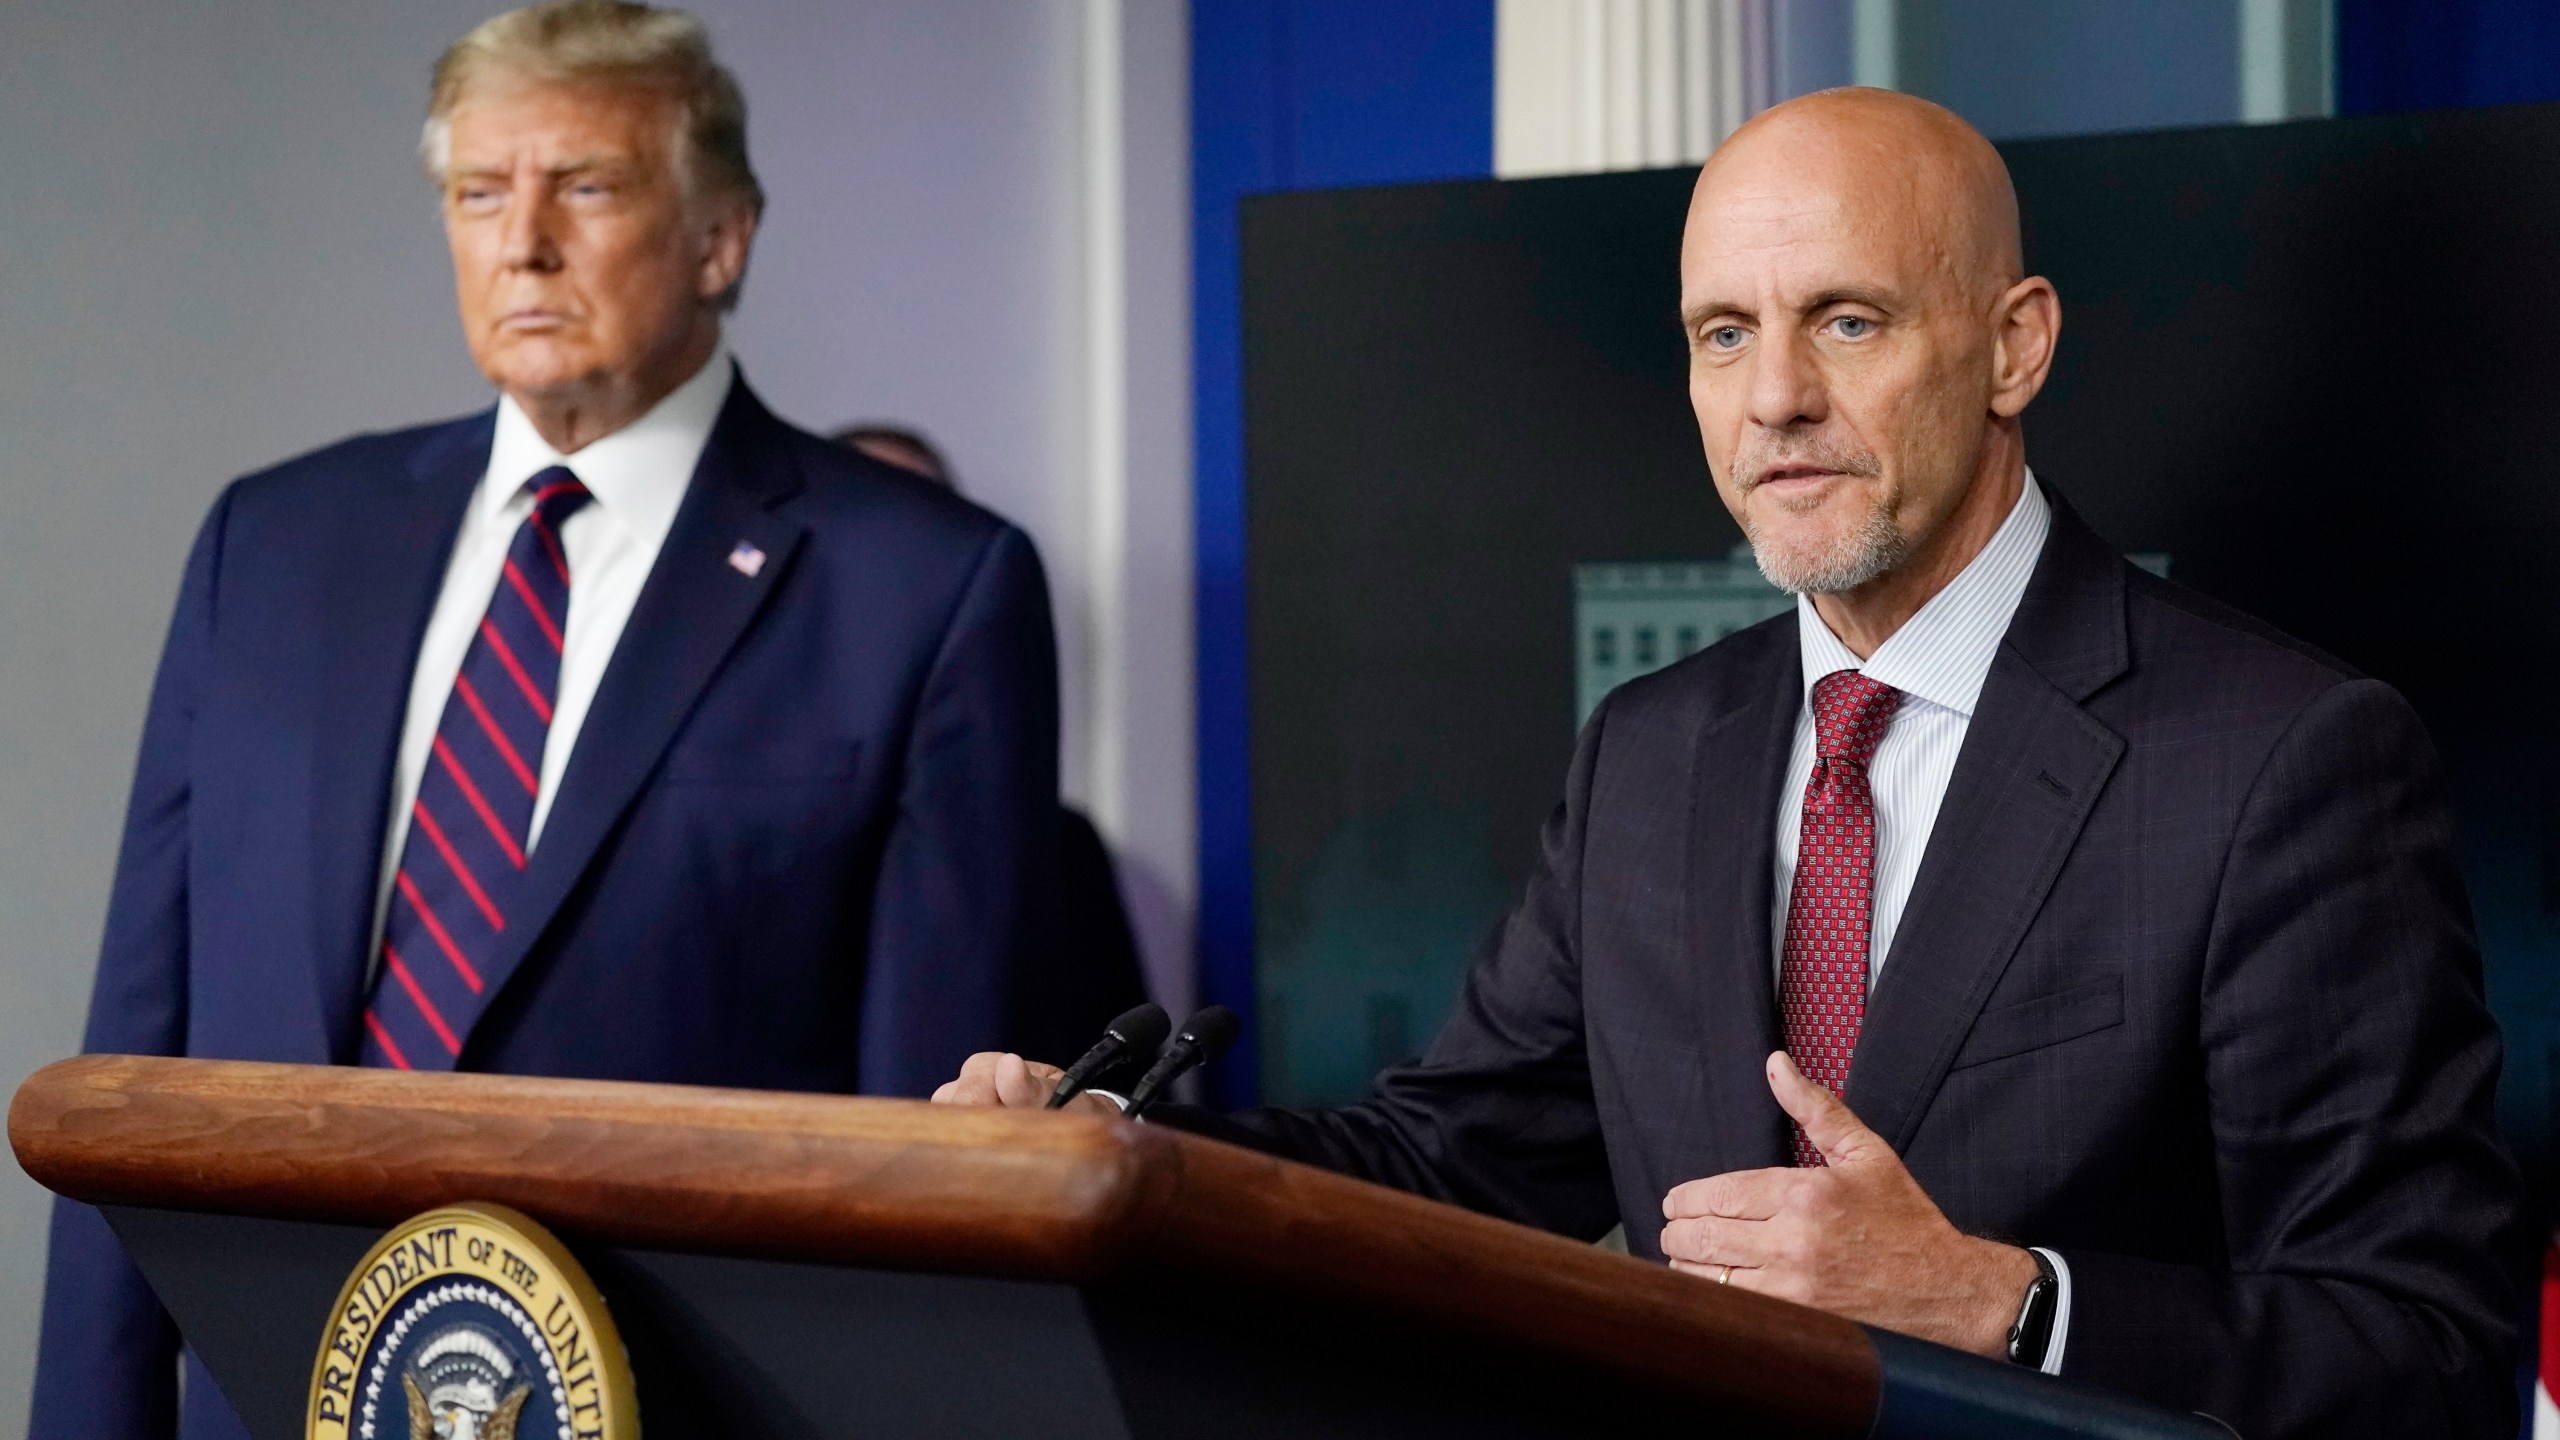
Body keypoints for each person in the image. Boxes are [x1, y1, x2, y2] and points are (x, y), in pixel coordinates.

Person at [935, 88, 2524, 1437]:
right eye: (1722, 334)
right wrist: (1115, 1159)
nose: (1776, 399)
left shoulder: (2280, 760)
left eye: (1848, 319)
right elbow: (1447, 1163)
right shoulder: (1655, 749)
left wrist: (1996, 1302)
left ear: (2013, 346)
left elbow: (2426, 1349)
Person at [35, 4, 1061, 1436]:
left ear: (722, 239)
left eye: (584, 186)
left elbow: (930, 1175)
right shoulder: (268, 549)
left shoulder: (926, 589)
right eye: (477, 193)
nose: (522, 242)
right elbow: (132, 1070)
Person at [826, 420, 1154, 1058]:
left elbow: (1122, 1086)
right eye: (876, 524)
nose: (901, 572)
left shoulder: (1066, 854)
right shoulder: (737, 833)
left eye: (925, 522)